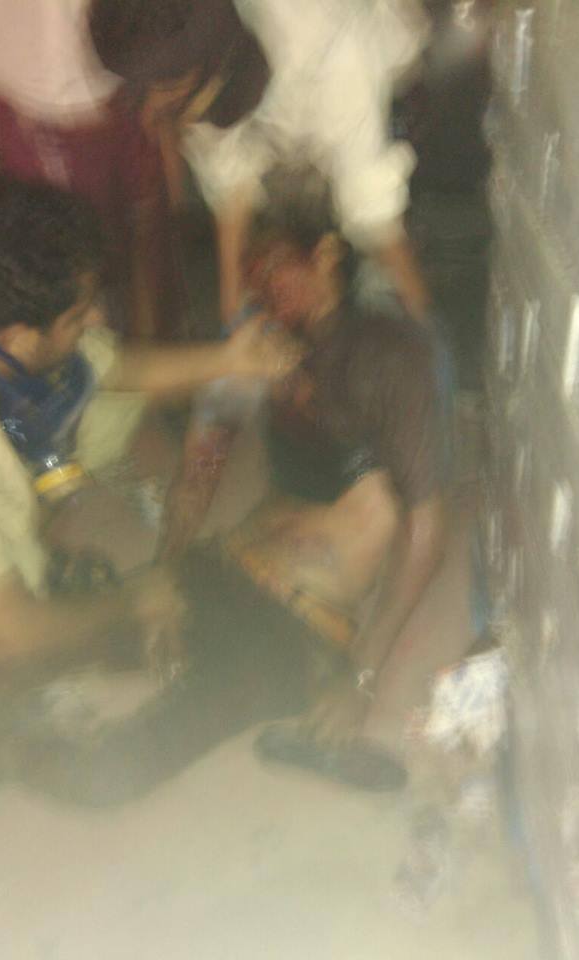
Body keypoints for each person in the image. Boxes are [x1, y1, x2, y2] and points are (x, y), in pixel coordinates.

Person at [0, 174, 297, 665]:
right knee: (12, 623)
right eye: (79, 316)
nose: (98, 319)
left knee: (105, 403)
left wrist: (231, 360)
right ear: (16, 338)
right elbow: (7, 634)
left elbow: (114, 367)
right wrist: (135, 599)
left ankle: (37, 513)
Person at [159, 166, 450, 783]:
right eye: (249, 273)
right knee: (109, 635)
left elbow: (427, 529)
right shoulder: (259, 347)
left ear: (326, 255)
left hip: (303, 612)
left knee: (175, 735)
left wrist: (362, 677)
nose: (261, 287)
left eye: (275, 266)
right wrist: (163, 576)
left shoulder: (389, 355)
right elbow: (198, 472)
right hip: (233, 566)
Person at [91, 0, 433, 327]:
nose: (148, 119)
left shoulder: (333, 63)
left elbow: (373, 212)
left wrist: (422, 334)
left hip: (388, 59)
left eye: (166, 99)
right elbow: (227, 176)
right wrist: (231, 307)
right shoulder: (193, 44)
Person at [0, 0, 180, 339]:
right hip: (56, 105)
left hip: (77, 91)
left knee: (134, 227)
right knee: (80, 256)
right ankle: (122, 340)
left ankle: (143, 335)